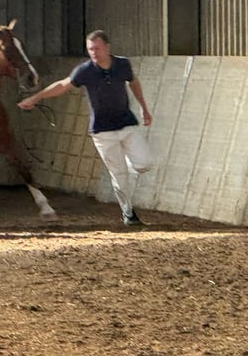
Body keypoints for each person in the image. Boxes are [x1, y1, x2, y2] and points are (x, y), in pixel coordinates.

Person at [17, 29, 153, 226]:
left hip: (127, 124)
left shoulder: (122, 64)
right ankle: (128, 213)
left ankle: (130, 164)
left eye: (97, 48)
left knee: (145, 164)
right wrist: (36, 97)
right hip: (102, 131)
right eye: (90, 49)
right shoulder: (85, 71)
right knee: (119, 176)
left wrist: (144, 108)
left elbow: (134, 82)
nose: (94, 53)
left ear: (107, 47)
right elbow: (63, 85)